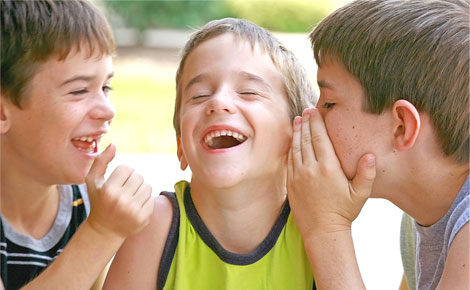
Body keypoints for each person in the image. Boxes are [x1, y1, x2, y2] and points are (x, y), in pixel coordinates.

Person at [103, 18, 317, 290]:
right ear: (181, 146)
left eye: (248, 92)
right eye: (199, 95)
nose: (218, 102)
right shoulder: (155, 227)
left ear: (297, 136)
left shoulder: (316, 227)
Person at [287, 0, 469, 289]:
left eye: (329, 103)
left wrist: (326, 229)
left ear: (402, 127)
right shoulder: (420, 220)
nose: (311, 115)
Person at [0, 1, 155, 289]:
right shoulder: (98, 224)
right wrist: (102, 232)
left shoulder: (83, 203)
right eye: (80, 90)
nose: (107, 110)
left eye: (106, 87)